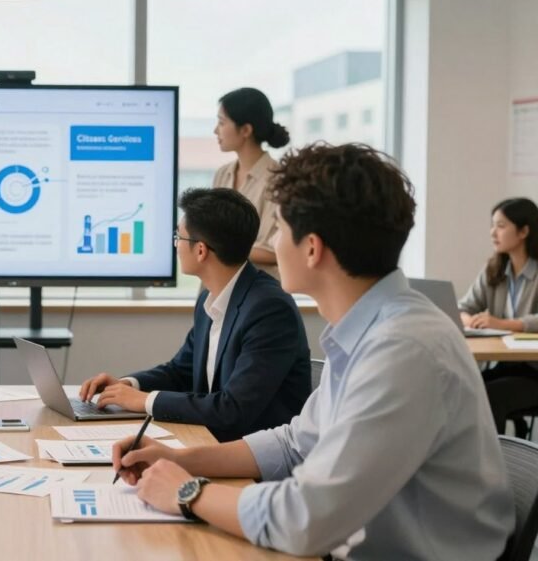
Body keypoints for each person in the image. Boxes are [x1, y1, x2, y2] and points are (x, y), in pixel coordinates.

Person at [111, 143, 513, 560]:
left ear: (312, 248)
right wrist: (183, 459)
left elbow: (306, 519)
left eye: (278, 229)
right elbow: (294, 445)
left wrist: (186, 491)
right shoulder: (371, 329)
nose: (268, 245)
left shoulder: (404, 349)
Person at [79, 188, 310, 442]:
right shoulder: (209, 300)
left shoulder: (269, 310)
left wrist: (145, 401)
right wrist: (129, 385)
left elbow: (233, 409)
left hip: (252, 462)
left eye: (179, 237)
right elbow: (181, 371)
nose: (176, 245)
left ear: (201, 251)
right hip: (209, 442)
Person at [459, 197, 538, 435]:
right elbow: (464, 306)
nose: (493, 232)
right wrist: (470, 320)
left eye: (501, 226)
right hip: (509, 365)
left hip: (535, 371)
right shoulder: (494, 270)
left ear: (524, 231)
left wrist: (503, 324)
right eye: (492, 225)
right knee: (465, 389)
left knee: (492, 397)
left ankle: (493, 469)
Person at [212, 87, 290, 279]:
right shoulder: (223, 174)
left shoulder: (279, 180)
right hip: (218, 287)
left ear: (246, 130)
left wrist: (217, 249)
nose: (215, 130)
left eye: (221, 123)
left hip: (259, 292)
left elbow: (276, 250)